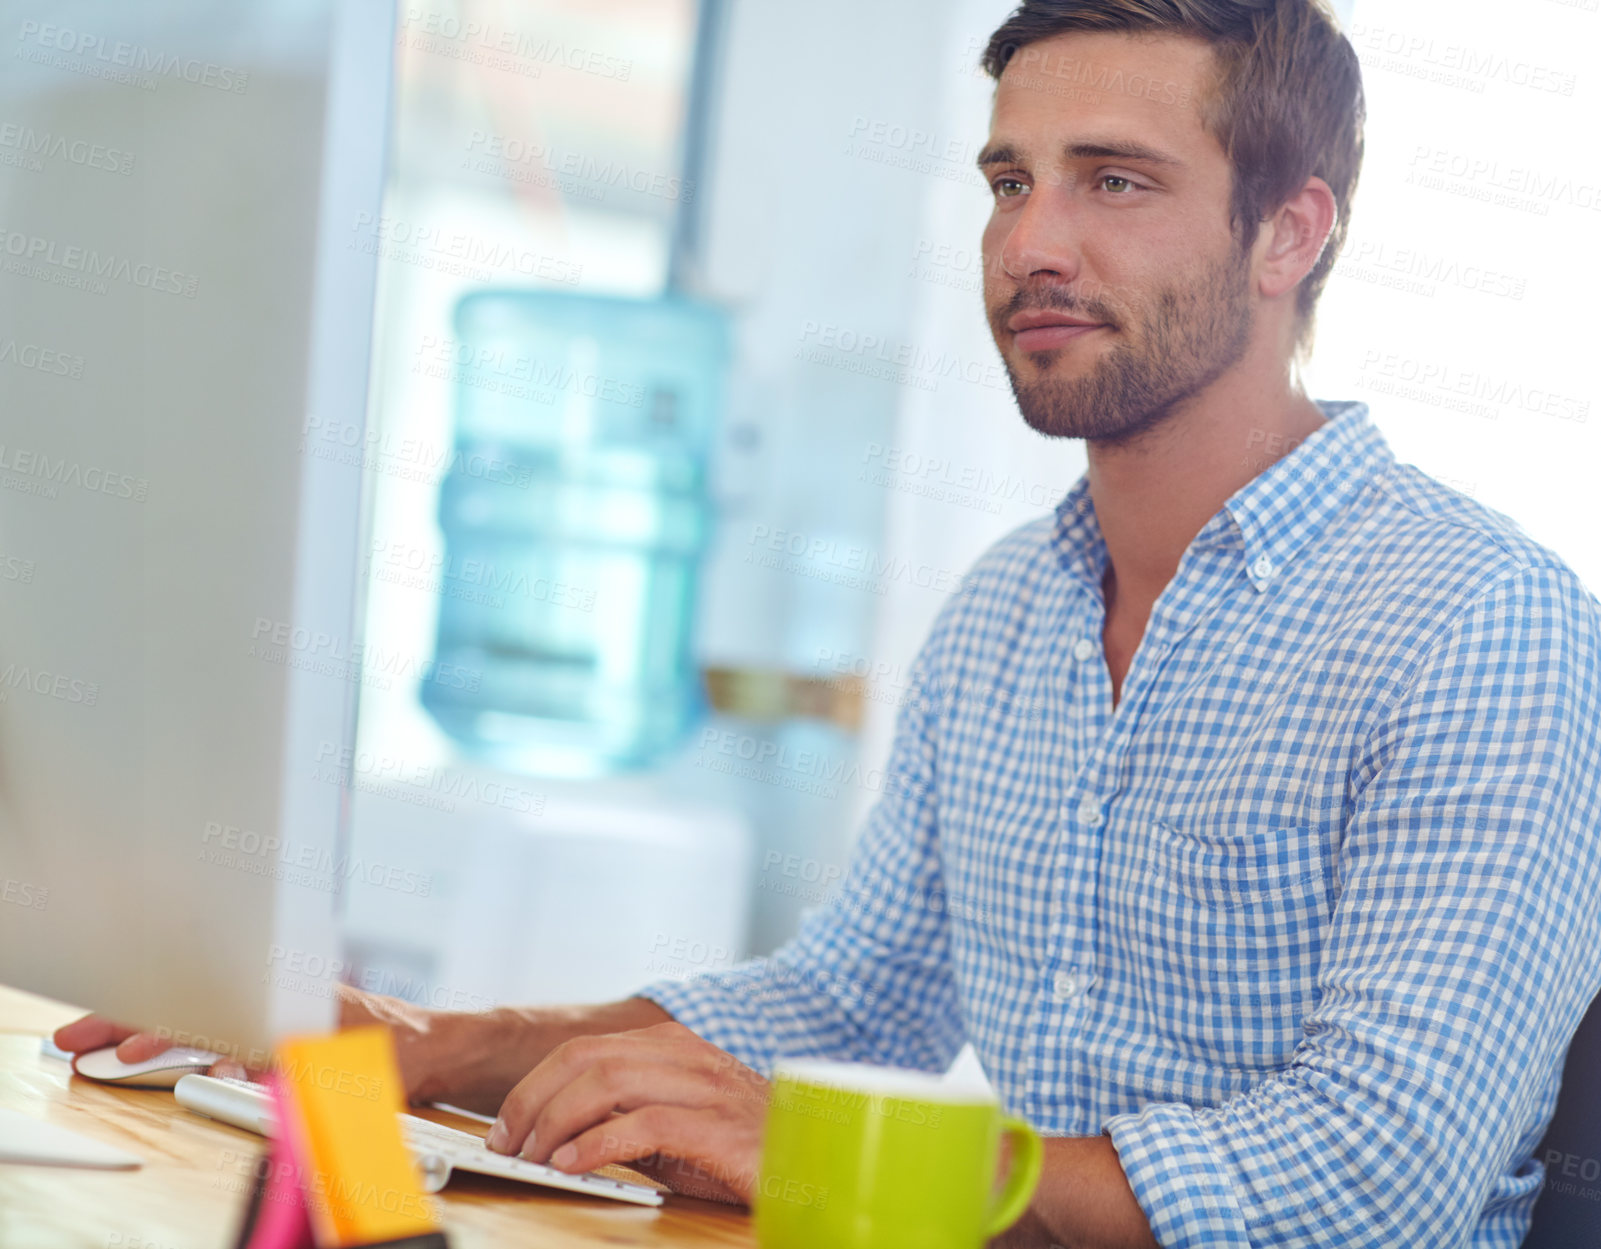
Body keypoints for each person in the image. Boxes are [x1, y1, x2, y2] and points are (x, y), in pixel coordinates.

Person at [58, 2, 1601, 1244]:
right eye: (1009, 181)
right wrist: (423, 1042)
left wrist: (834, 1153)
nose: (1031, 244)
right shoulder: (1011, 607)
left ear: (1288, 235)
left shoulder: (1483, 624)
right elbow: (849, 992)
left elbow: (1374, 1168)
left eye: (1113, 181)